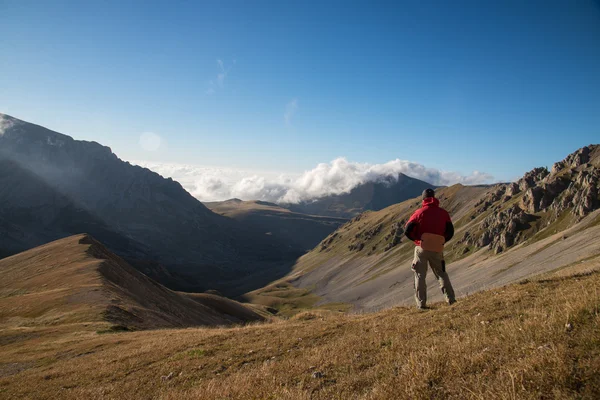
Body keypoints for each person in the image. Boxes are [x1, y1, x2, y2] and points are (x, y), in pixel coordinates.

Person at [404, 188, 456, 309]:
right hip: (437, 248)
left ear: (423, 199)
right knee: (441, 274)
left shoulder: (419, 213)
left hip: (422, 247)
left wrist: (417, 240)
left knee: (420, 276)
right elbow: (450, 231)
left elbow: (407, 230)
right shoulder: (443, 213)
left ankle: (421, 304)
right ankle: (451, 300)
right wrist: (441, 241)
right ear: (434, 198)